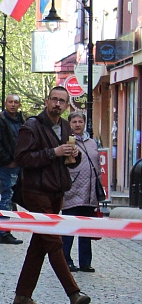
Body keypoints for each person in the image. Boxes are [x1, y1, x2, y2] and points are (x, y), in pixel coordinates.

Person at [12, 86, 91, 304]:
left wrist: (74, 156)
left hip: (57, 192)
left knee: (40, 244)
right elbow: (21, 158)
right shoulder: (32, 126)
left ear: (67, 105)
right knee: (54, 241)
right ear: (47, 101)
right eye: (54, 99)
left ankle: (22, 296)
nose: (57, 104)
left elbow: (69, 160)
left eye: (62, 101)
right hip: (36, 192)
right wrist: (52, 153)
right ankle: (74, 293)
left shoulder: (66, 126)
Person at [60, 109, 100, 273]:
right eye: (74, 122)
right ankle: (66, 260)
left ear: (84, 123)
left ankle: (85, 262)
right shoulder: (67, 142)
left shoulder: (92, 142)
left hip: (89, 192)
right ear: (70, 124)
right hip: (72, 190)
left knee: (86, 228)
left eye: (80, 122)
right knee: (69, 228)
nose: (77, 125)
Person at [0, 94, 27, 245]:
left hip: (21, 165)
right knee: (7, 198)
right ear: (5, 103)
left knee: (16, 197)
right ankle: (4, 232)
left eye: (16, 102)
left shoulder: (21, 121)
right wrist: (7, 161)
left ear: (20, 104)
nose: (13, 105)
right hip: (8, 166)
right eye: (10, 102)